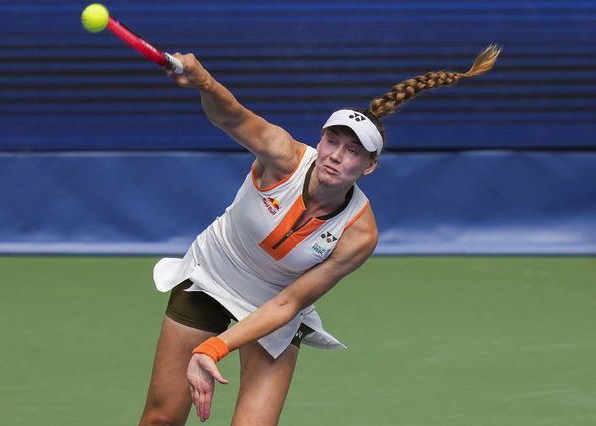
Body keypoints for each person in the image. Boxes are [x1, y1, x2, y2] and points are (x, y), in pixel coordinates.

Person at [139, 45, 501, 425]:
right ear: (321, 139)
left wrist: (214, 348)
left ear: (370, 166)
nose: (335, 156)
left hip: (275, 304)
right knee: (161, 418)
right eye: (332, 141)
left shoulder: (359, 234)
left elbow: (287, 305)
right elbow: (232, 117)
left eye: (353, 151)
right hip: (213, 273)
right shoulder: (282, 156)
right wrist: (204, 82)